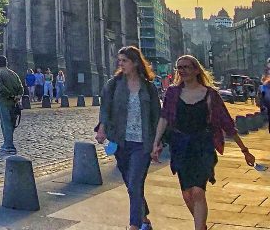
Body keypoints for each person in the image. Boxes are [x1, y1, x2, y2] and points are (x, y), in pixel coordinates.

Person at [152, 55, 256, 230]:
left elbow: (227, 123)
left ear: (196, 69)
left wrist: (244, 150)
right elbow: (164, 118)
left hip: (203, 146)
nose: (182, 70)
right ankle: (202, 224)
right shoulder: (173, 93)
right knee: (187, 194)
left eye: (186, 67)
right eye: (179, 67)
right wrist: (156, 142)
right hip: (181, 147)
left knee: (198, 191)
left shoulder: (210, 95)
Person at [96, 45, 161, 230]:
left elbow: (156, 116)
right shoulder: (113, 84)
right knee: (132, 184)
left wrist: (158, 142)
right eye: (120, 61)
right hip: (120, 141)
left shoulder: (148, 88)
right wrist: (102, 128)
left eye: (124, 60)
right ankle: (144, 218)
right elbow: (105, 109)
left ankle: (134, 225)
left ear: (135, 62)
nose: (120, 64)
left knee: (134, 181)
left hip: (143, 143)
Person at [0, 55, 24, 155]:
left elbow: (1, 89)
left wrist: (11, 96)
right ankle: (7, 143)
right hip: (14, 104)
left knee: (5, 124)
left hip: (4, 102)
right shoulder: (14, 74)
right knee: (11, 124)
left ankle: (9, 146)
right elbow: (21, 88)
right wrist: (17, 96)